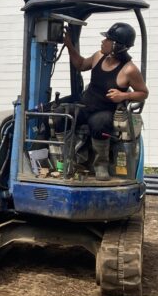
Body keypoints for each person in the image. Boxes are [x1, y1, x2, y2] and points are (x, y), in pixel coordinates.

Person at [62, 22, 149, 180]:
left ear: (116, 45)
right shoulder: (98, 56)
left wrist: (124, 96)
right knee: (62, 115)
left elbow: (143, 93)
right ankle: (67, 158)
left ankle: (101, 164)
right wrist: (69, 46)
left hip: (105, 111)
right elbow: (80, 64)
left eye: (107, 39)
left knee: (99, 123)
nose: (102, 42)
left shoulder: (129, 69)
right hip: (85, 105)